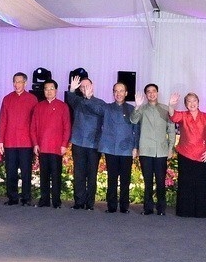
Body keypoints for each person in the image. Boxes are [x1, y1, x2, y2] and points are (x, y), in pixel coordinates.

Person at [87, 82, 139, 214]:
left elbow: (136, 129)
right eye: (116, 91)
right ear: (113, 93)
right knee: (112, 178)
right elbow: (95, 109)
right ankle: (111, 206)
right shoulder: (107, 107)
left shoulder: (132, 109)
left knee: (125, 179)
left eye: (121, 91)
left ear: (126, 93)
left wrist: (135, 147)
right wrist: (89, 98)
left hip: (126, 149)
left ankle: (124, 206)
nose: (118, 93)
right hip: (111, 148)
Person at [130, 83, 175, 216]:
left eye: (153, 91)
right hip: (146, 150)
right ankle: (148, 208)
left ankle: (161, 208)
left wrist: (170, 148)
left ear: (157, 93)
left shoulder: (165, 109)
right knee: (148, 181)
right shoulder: (142, 109)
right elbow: (133, 120)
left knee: (161, 181)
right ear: (146, 95)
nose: (151, 94)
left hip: (161, 151)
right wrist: (137, 106)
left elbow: (171, 130)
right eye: (148, 92)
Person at [168, 92, 206, 218]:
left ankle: (201, 212)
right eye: (189, 101)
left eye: (194, 101)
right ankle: (185, 211)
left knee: (201, 184)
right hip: (185, 154)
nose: (192, 103)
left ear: (198, 102)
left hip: (203, 155)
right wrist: (171, 105)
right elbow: (173, 117)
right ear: (186, 104)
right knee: (185, 183)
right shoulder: (183, 116)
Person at [0, 72, 38, 206]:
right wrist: (1, 140)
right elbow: (3, 121)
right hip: (10, 141)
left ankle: (26, 197)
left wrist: (35, 142)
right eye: (15, 81)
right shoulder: (7, 99)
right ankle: (12, 197)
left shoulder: (32, 99)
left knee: (26, 172)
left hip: (26, 141)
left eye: (19, 81)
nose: (16, 84)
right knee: (11, 171)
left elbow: (35, 122)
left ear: (25, 83)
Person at [66, 76, 105, 210]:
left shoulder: (100, 103)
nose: (84, 88)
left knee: (91, 175)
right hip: (78, 142)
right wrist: (72, 89)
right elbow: (70, 98)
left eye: (87, 86)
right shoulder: (78, 101)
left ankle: (90, 203)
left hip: (93, 144)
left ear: (92, 87)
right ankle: (79, 202)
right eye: (82, 86)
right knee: (79, 174)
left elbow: (99, 111)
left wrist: (88, 99)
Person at [30, 80, 71, 208]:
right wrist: (35, 144)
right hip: (42, 147)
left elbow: (67, 127)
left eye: (51, 88)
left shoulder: (63, 106)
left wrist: (64, 144)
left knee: (56, 175)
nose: (49, 91)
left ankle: (56, 201)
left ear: (56, 91)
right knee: (44, 175)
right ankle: (44, 200)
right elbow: (33, 127)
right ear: (43, 91)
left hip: (56, 147)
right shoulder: (38, 106)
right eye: (46, 89)